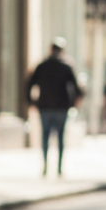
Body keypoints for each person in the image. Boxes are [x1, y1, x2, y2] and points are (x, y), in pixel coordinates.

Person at [27, 39, 84, 177]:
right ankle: (59, 168)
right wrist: (73, 103)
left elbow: (29, 85)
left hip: (45, 107)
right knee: (60, 138)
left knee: (45, 137)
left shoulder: (42, 66)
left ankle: (45, 165)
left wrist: (32, 103)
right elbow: (77, 89)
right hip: (61, 107)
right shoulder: (66, 66)